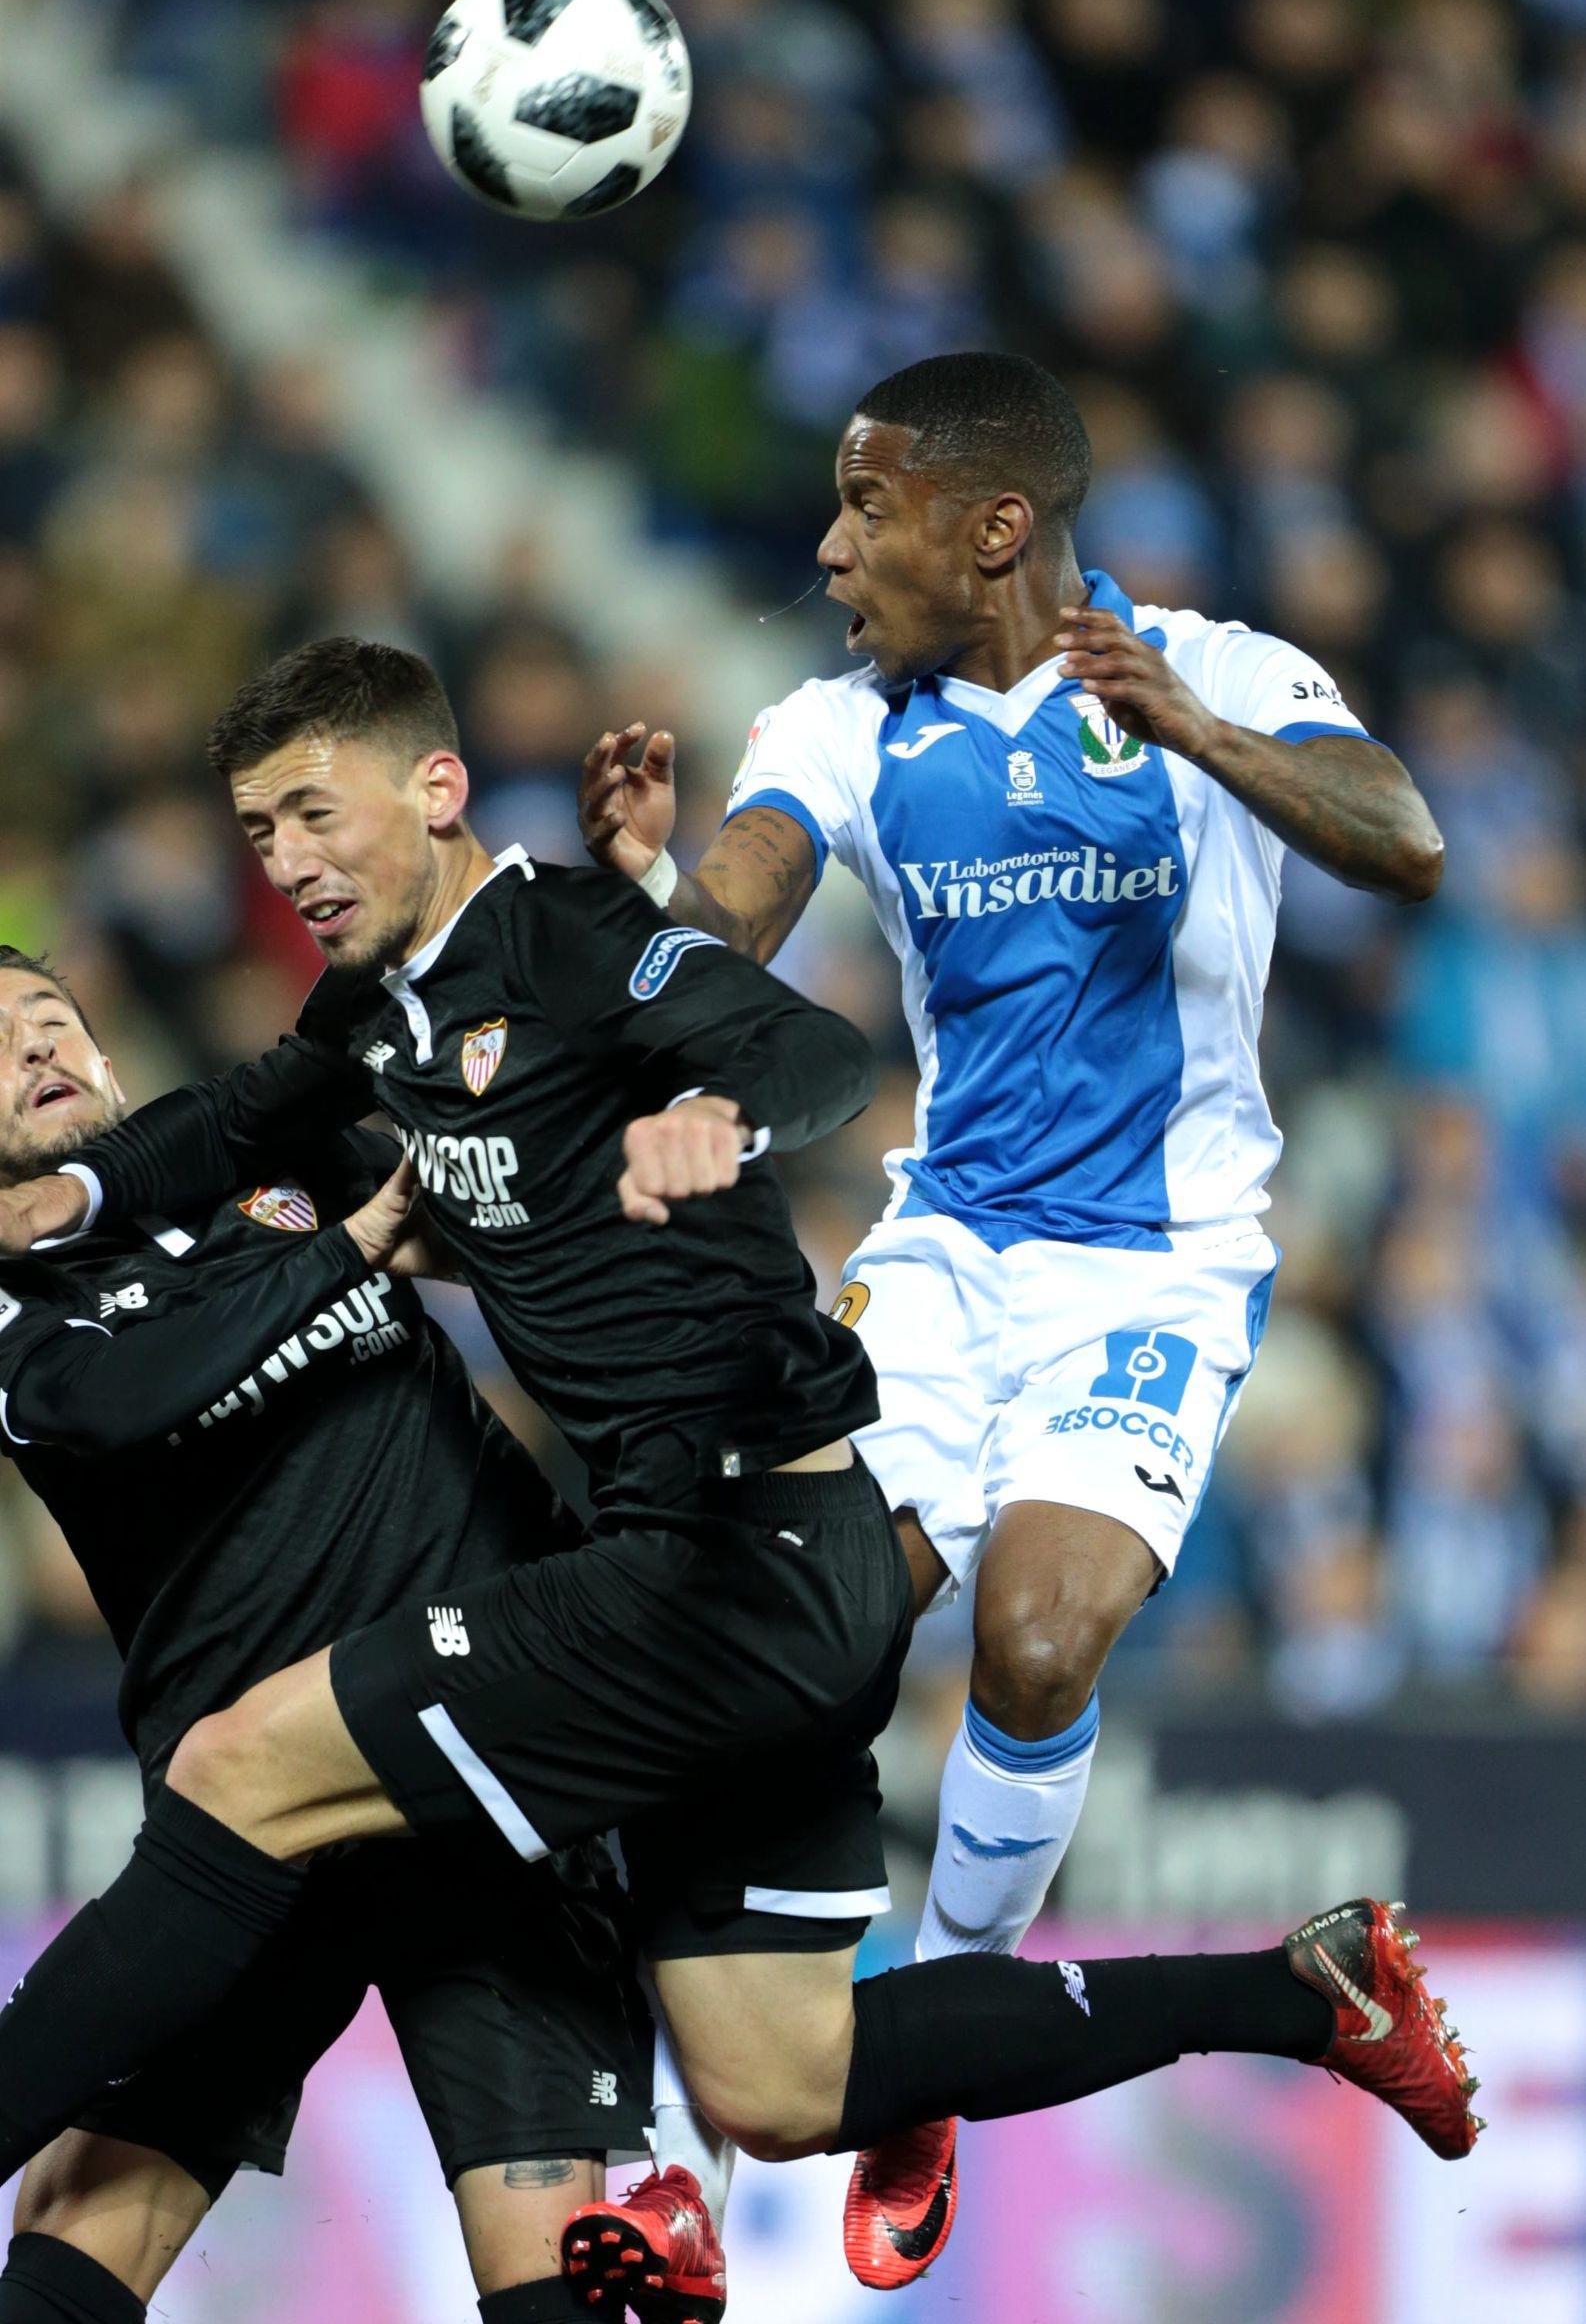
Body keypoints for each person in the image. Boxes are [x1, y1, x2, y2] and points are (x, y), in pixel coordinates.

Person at [0, 639, 1475, 2324]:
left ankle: (668, 2213)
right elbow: (211, 1141)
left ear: (435, 789)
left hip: (716, 1560)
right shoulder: (363, 1034)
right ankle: (1306, 1993)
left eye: (313, 815)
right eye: (261, 833)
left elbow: (810, 1057)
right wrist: (88, 1201)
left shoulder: (567, 939)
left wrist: (714, 1108)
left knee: (241, 1768)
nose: (289, 863)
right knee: (780, 2078)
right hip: (721, 1580)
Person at [575, 348, 1447, 2287]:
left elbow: (1403, 840)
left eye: (862, 509)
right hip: (945, 1255)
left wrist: (1196, 737)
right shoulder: (838, 724)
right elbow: (736, 911)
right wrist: (649, 902)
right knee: (800, 1637)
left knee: (1042, 1646)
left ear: (989, 529)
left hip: (1158, 1262)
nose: (827, 551)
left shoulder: (1216, 665)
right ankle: (664, 2157)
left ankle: (932, 2043)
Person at [0, 945, 653, 2324]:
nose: (35, 1046)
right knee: (81, 2223)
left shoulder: (275, 1155)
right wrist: (349, 1250)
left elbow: (500, 1223)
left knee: (550, 2252)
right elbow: (122, 1400)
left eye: (50, 1019)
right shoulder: (16, 1306)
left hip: (485, 1772)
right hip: (258, 1831)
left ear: (108, 1057)